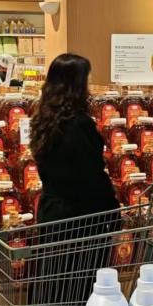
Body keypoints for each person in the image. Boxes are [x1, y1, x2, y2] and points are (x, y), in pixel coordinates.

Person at [31, 53, 118, 223]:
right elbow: (93, 175)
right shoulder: (78, 124)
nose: (90, 82)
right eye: (87, 77)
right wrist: (113, 213)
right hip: (78, 215)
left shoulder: (43, 118)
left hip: (51, 211)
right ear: (76, 84)